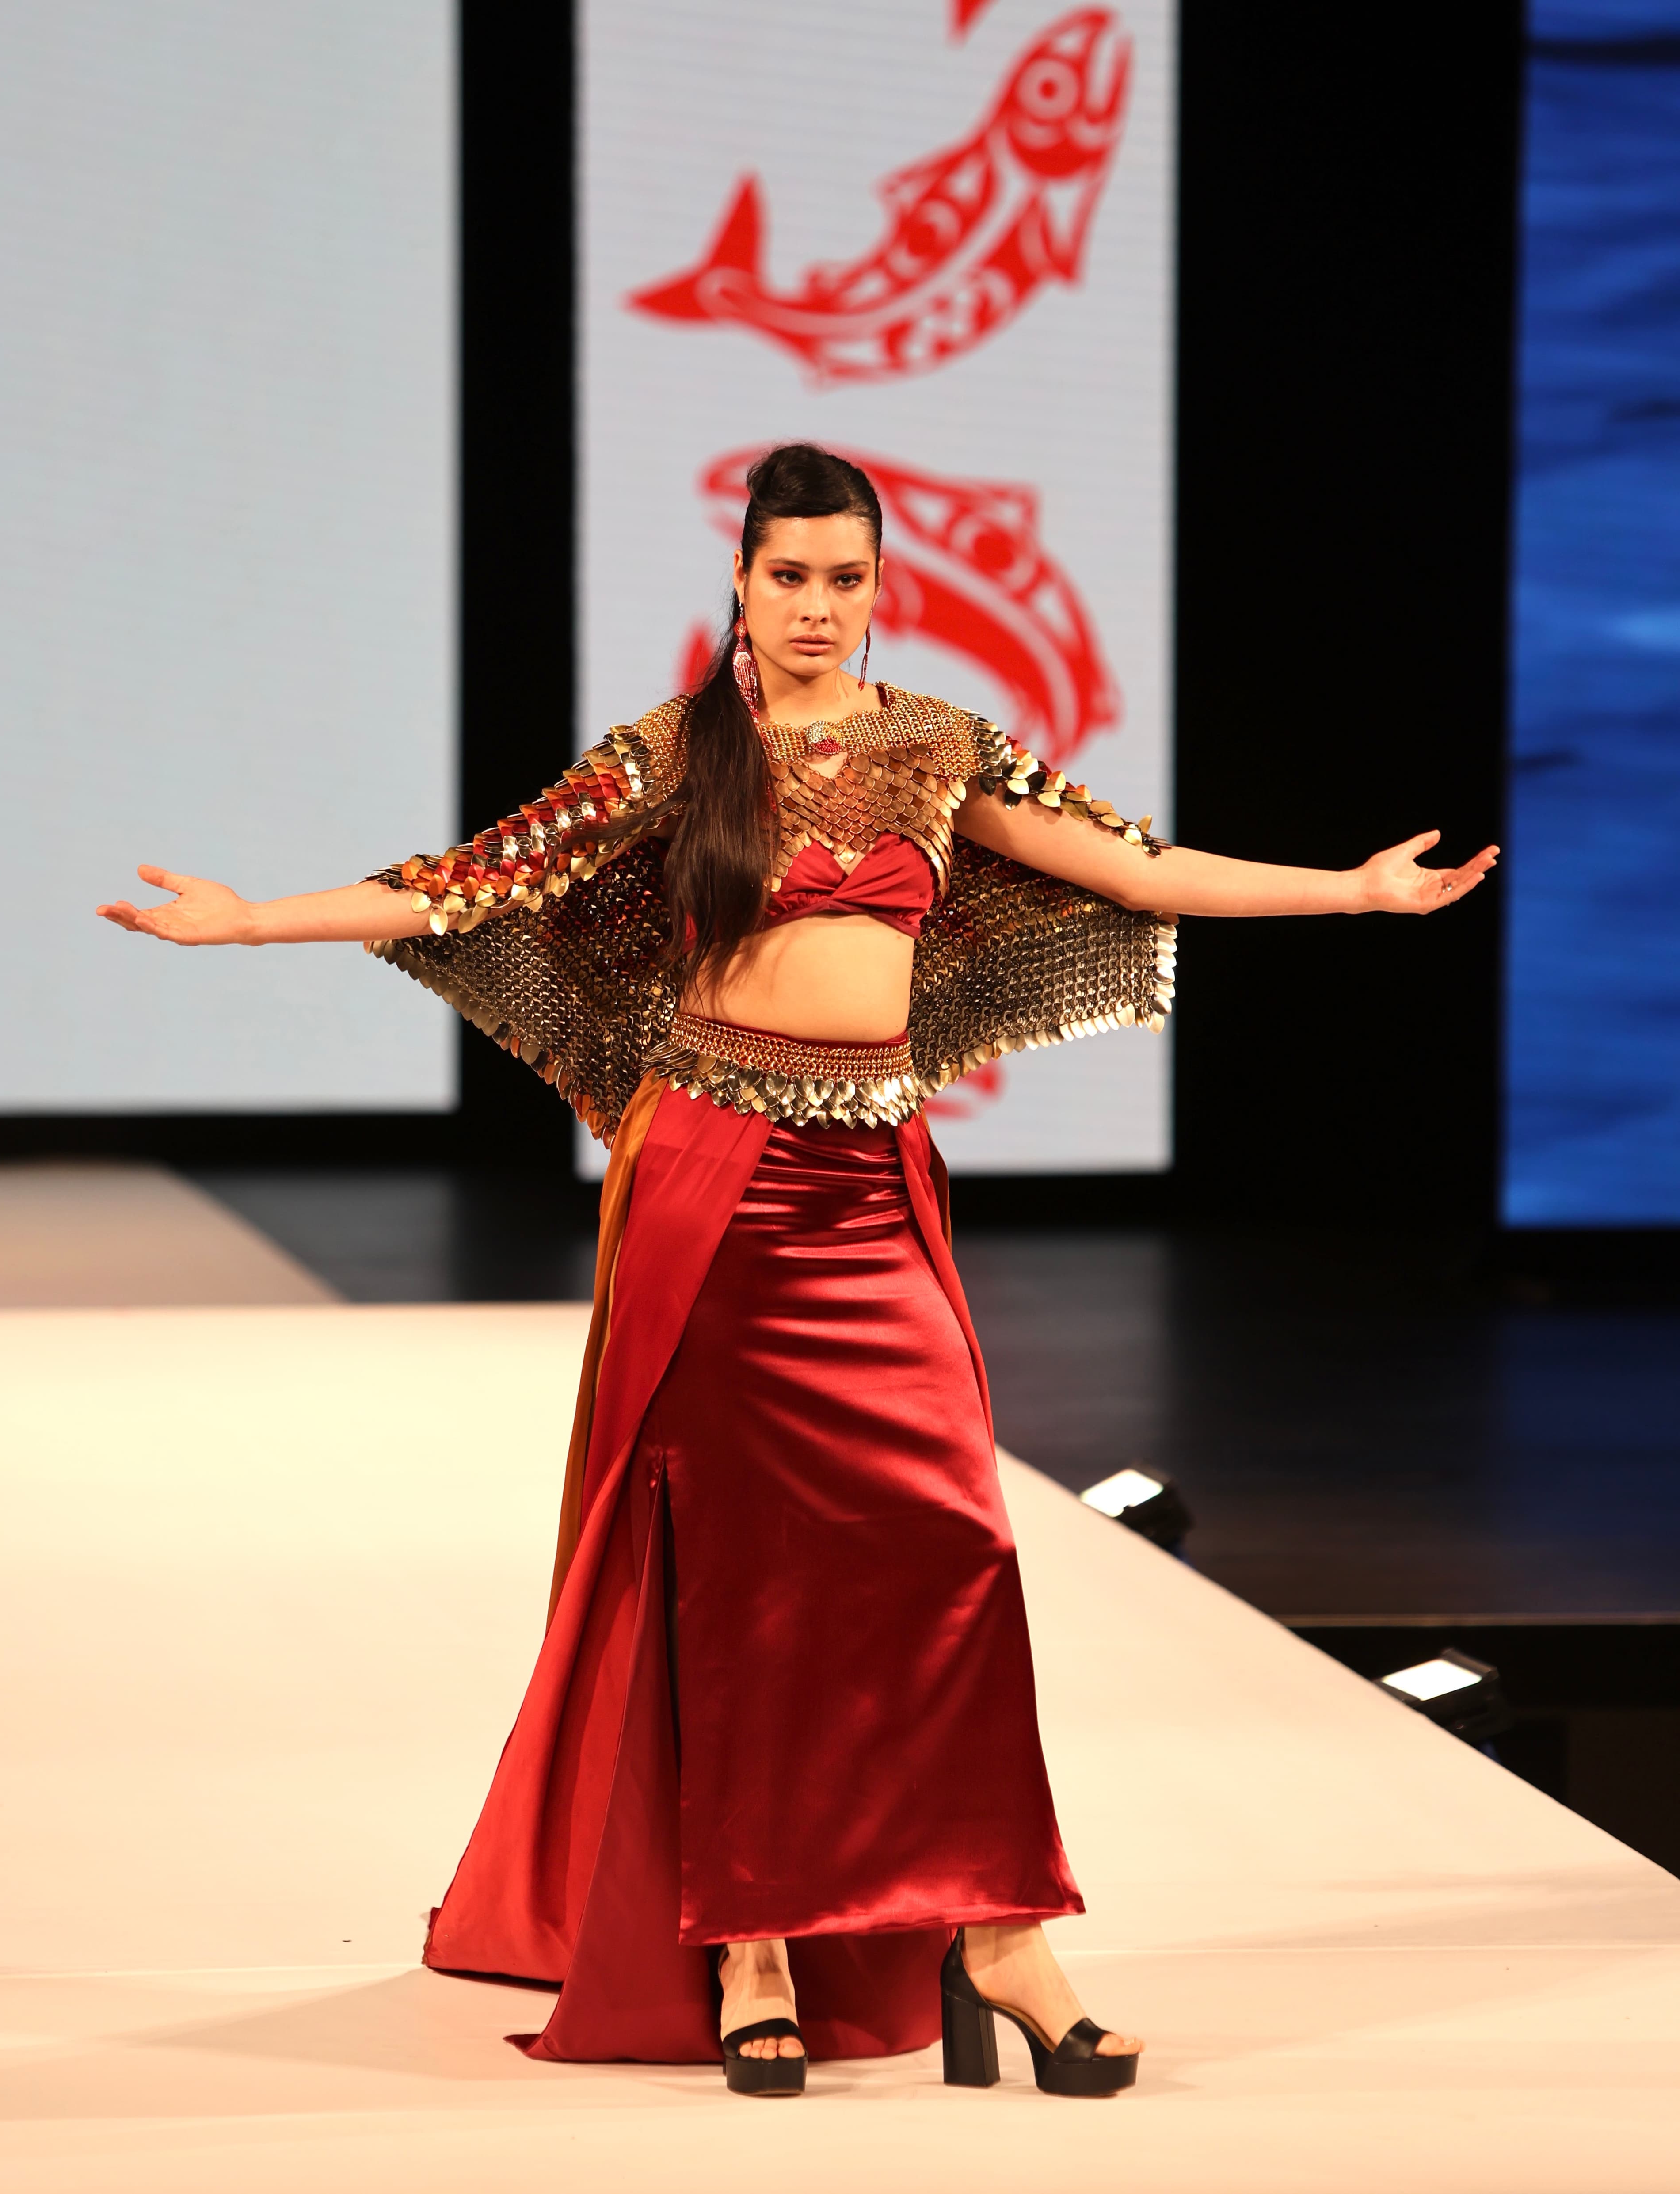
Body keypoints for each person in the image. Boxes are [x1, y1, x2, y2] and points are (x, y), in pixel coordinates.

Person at [99, 443, 1497, 2100]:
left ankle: (1000, 1929)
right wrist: (253, 920)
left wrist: (1350, 892)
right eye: (790, 577)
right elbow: (470, 882)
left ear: (881, 586)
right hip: (716, 1180)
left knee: (955, 1548)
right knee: (739, 1571)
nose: (820, 606)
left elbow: (1134, 869)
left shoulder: (935, 747)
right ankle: (746, 1938)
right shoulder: (677, 757)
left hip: (872, 1181)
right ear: (742, 585)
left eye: (848, 578)